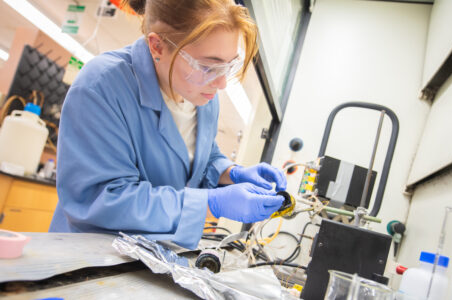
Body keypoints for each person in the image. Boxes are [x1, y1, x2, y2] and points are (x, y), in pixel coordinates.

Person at [49, 0, 286, 250]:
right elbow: (102, 199)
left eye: (228, 66)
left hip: (156, 256)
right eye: (207, 66)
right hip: (93, 258)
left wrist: (231, 173)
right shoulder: (102, 85)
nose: (221, 84)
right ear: (157, 46)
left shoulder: (204, 97)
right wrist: (211, 202)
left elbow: (200, 155)